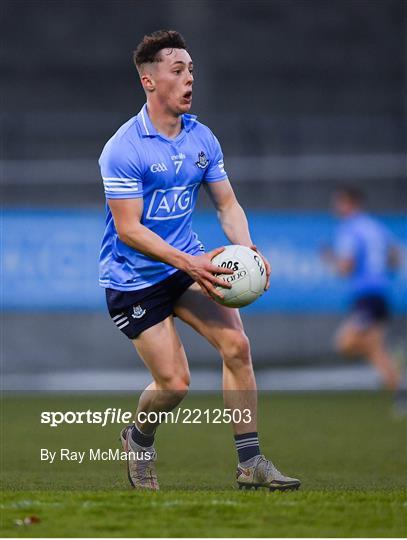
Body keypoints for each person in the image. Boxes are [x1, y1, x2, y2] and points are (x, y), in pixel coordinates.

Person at [98, 30, 300, 491]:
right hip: (134, 280)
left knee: (238, 348)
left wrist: (248, 249)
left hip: (186, 267)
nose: (190, 79)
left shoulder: (201, 138)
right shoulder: (124, 148)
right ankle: (138, 437)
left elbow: (228, 206)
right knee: (174, 384)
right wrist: (190, 264)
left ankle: (250, 462)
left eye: (191, 70)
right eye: (178, 70)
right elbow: (129, 230)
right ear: (149, 81)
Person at [323, 186, 401, 391]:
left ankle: (397, 366)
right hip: (381, 292)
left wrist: (331, 259)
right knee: (374, 347)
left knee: (345, 344)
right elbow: (395, 256)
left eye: (340, 202)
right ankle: (399, 388)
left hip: (365, 295)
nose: (336, 207)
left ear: (350, 204)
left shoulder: (348, 228)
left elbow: (346, 267)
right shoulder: (375, 226)